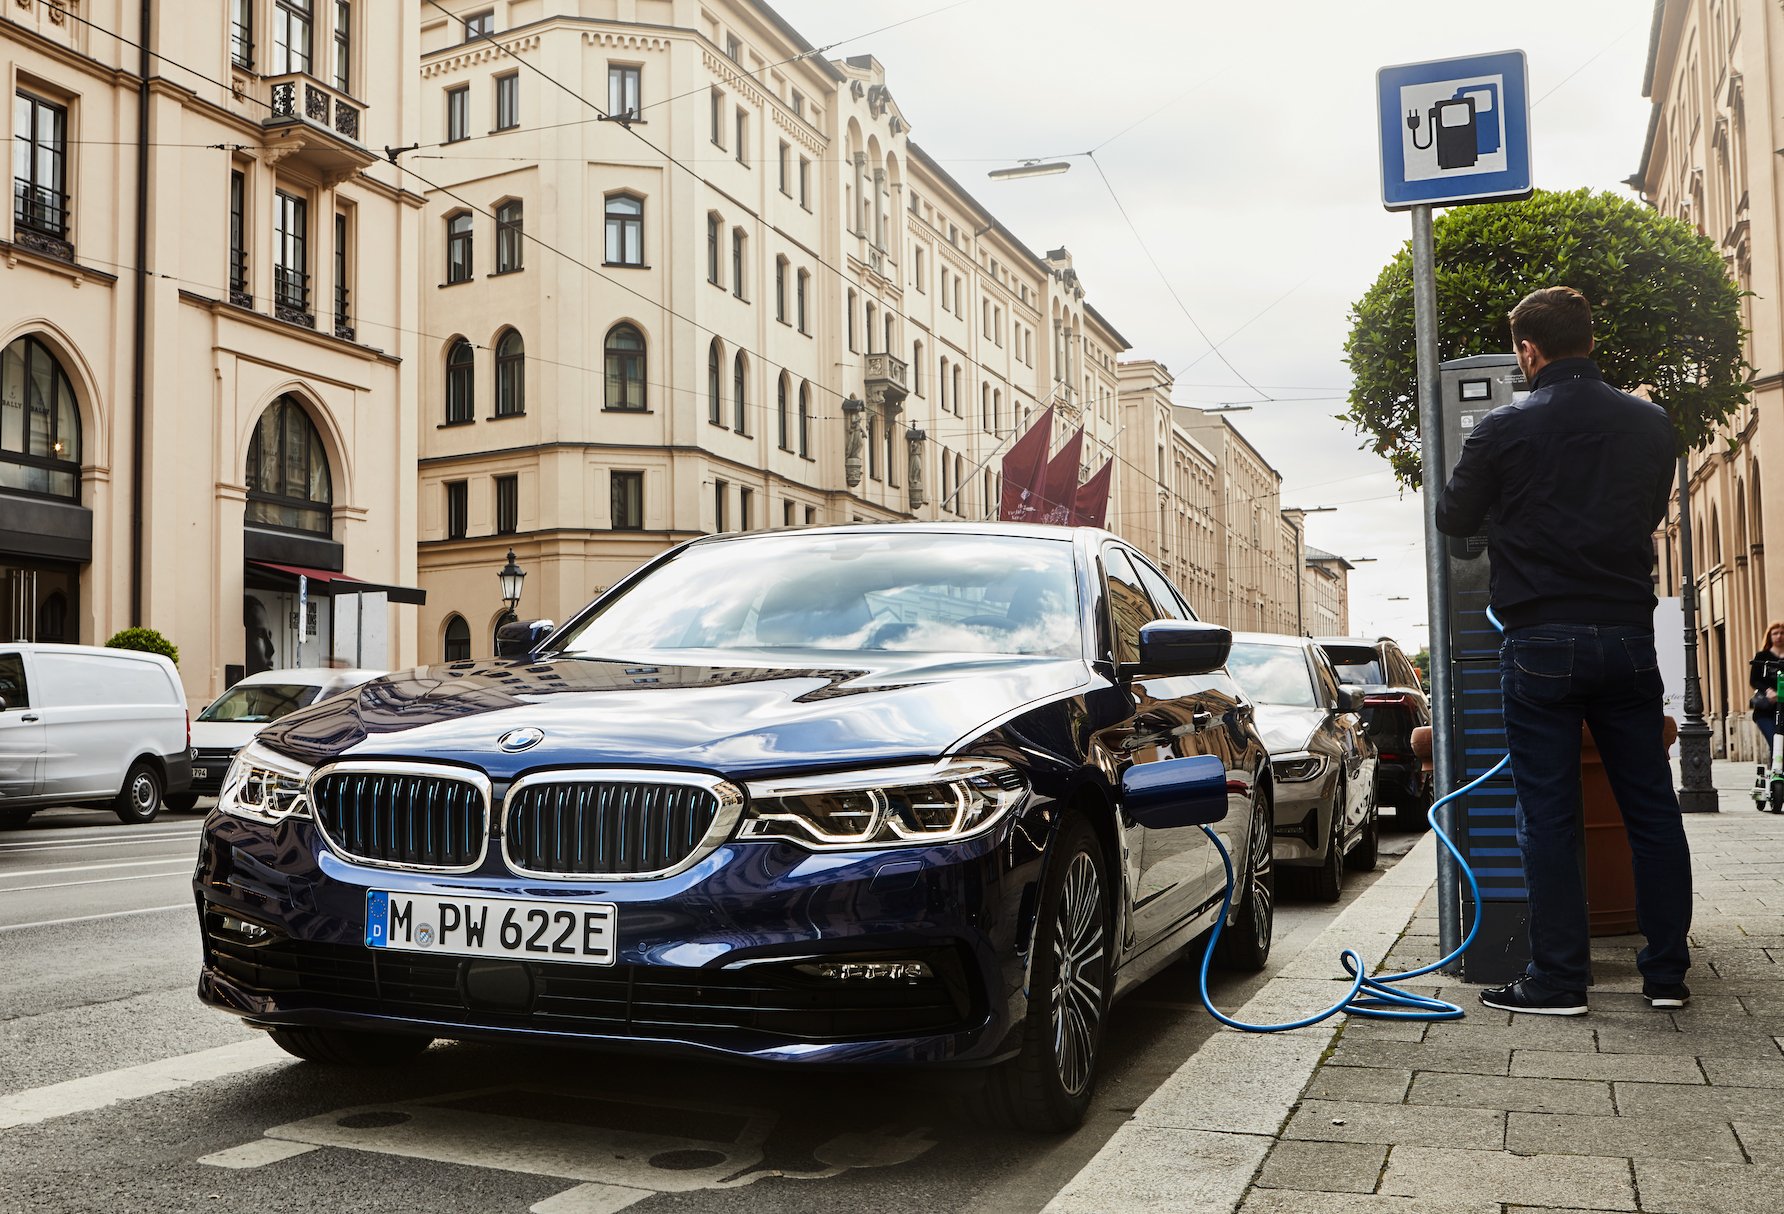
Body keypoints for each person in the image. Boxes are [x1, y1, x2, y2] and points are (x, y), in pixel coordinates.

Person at [1435, 285, 1693, 1016]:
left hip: (1540, 640)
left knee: (1546, 813)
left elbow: (1454, 517)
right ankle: (1666, 977)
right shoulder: (1649, 422)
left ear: (1527, 351)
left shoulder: (1502, 428)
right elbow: (1646, 513)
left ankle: (1557, 981)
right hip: (1627, 637)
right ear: (1589, 338)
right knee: (1650, 808)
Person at [1750, 621, 1784, 753]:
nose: (1779, 636)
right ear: (1770, 636)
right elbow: (1754, 680)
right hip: (1766, 711)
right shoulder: (1762, 657)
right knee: (1775, 744)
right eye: (1775, 633)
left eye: (1782, 633)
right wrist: (1768, 691)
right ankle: (1776, 772)